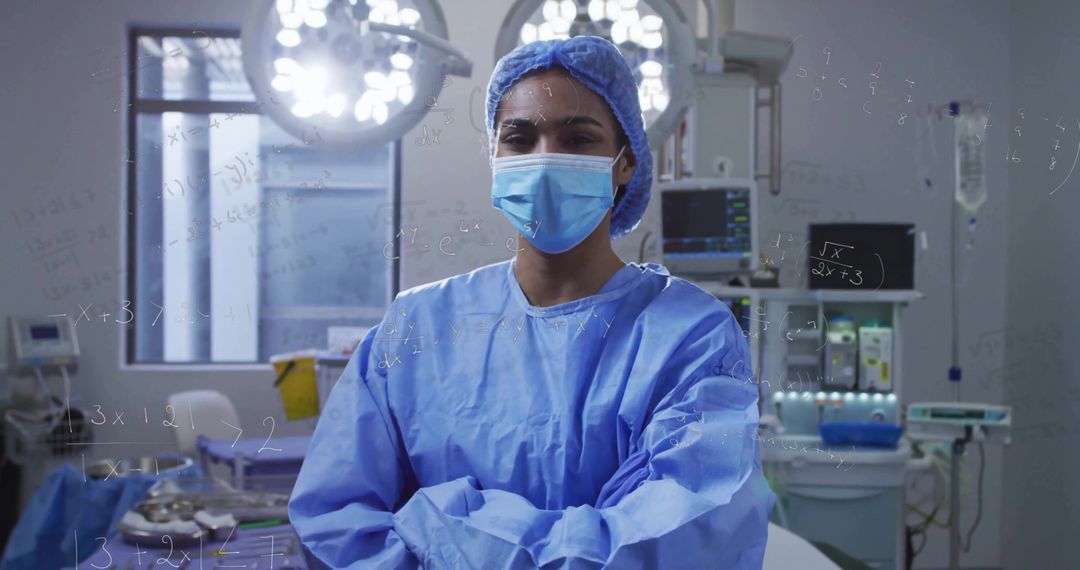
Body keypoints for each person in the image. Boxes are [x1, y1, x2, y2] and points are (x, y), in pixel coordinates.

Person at [289, 35, 775, 569]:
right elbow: (333, 523)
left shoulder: (689, 336)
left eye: (578, 137)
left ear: (626, 162)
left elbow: (681, 540)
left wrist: (441, 522)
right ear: (494, 158)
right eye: (519, 138)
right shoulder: (417, 325)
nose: (545, 161)